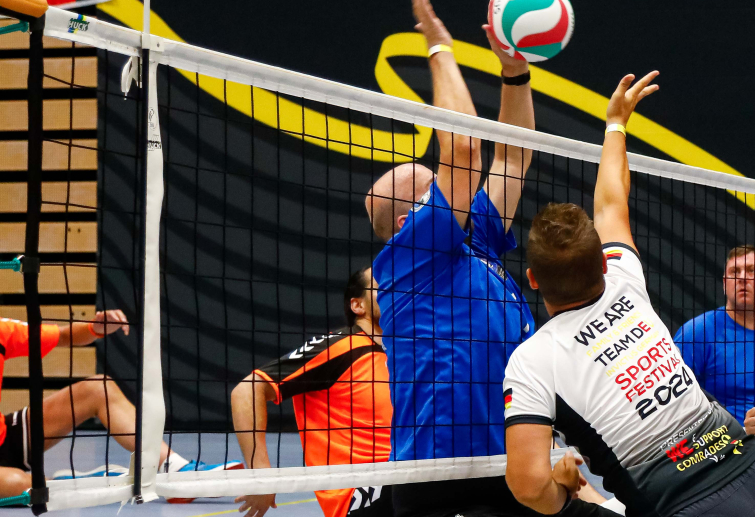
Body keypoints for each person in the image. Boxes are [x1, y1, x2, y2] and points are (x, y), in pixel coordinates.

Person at [503, 71, 755, 517]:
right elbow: (611, 203)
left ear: (532, 278)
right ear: (605, 263)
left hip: (685, 503)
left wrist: (567, 498)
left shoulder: (532, 361)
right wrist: (615, 123)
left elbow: (528, 484)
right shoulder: (625, 279)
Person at [365, 0, 539, 514]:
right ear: (407, 223)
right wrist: (439, 47)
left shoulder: (475, 240)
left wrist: (515, 74)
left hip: (508, 456)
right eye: (432, 188)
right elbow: (464, 150)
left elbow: (513, 155)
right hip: (440, 470)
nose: (447, 190)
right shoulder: (408, 259)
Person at [0, 310, 238, 497]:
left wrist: (95, 328)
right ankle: (76, 485)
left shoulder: (2, 330)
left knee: (97, 388)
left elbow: (61, 335)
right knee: (22, 485)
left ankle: (173, 468)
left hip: (4, 437)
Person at [230, 269, 392, 517]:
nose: (392, 286)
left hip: (402, 474)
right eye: (381, 283)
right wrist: (260, 475)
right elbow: (247, 390)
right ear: (358, 305)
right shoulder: (341, 346)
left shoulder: (403, 353)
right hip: (359, 493)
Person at [674, 245, 755, 428]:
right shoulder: (696, 333)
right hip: (729, 444)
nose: (742, 277)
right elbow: (675, 404)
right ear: (725, 283)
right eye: (735, 271)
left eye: (752, 270)